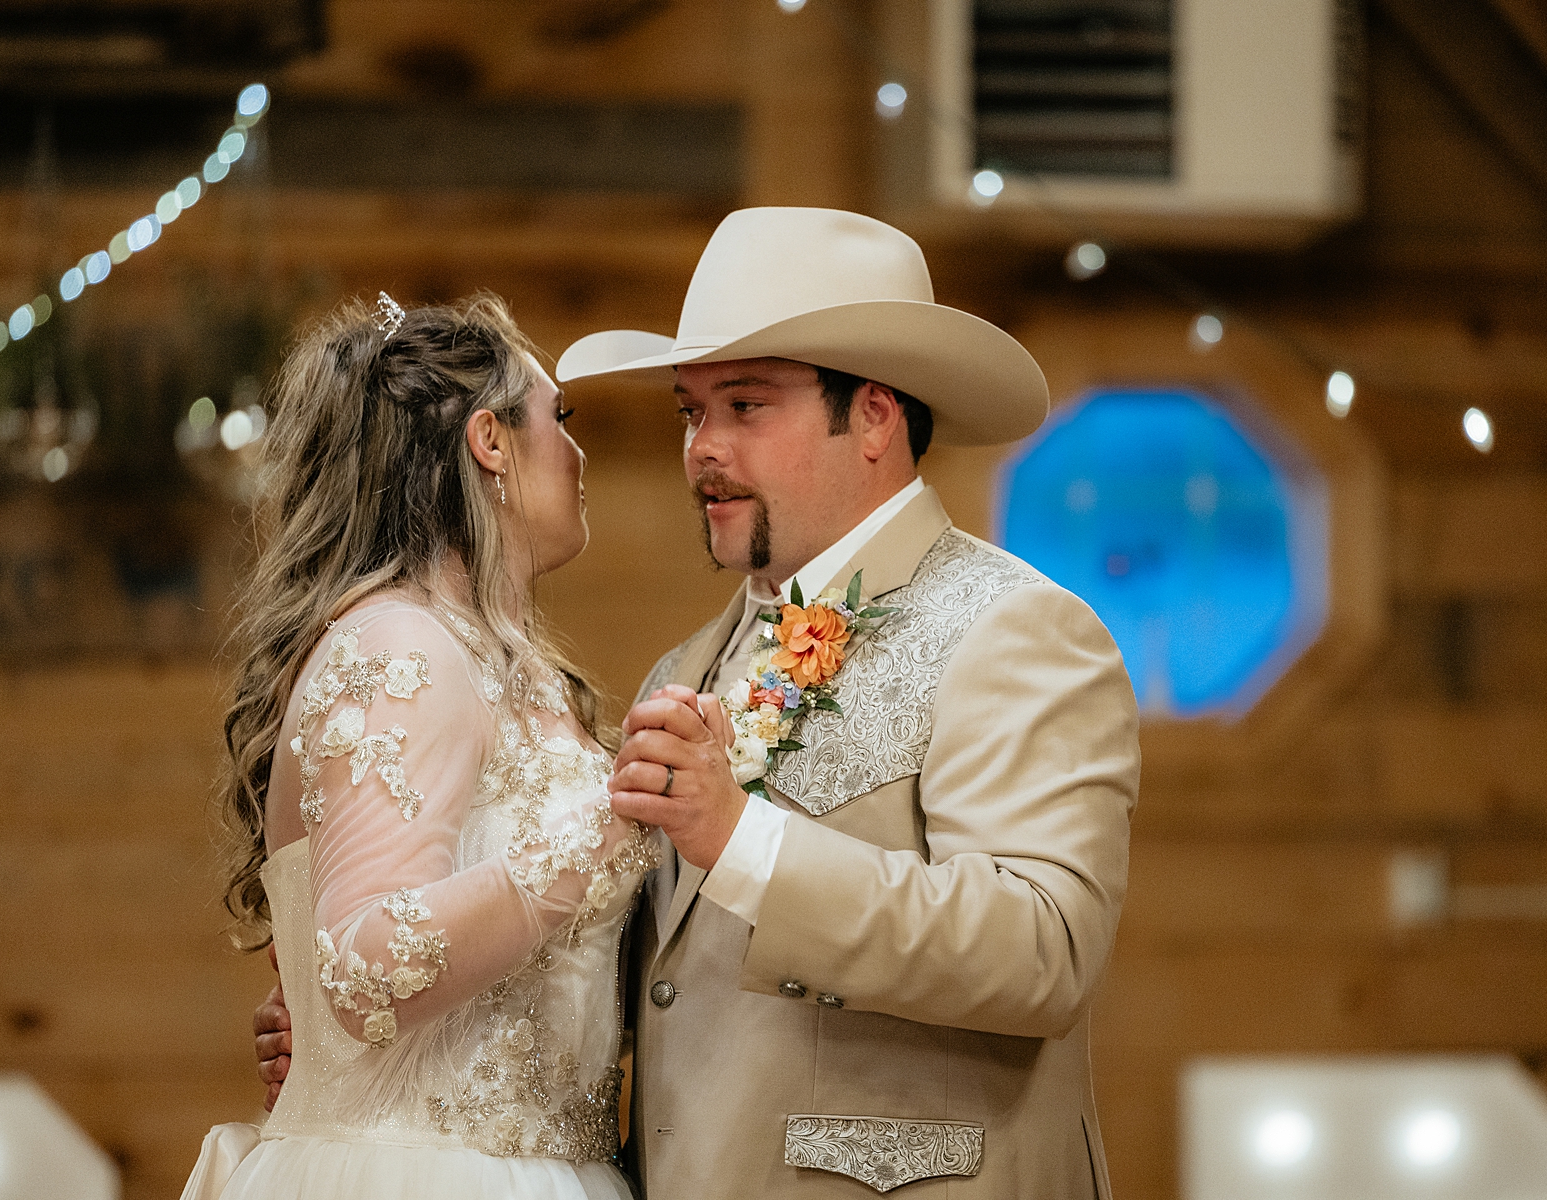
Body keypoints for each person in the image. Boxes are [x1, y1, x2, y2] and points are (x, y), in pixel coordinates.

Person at [258, 207, 1140, 1197]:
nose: (701, 450)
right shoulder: (692, 662)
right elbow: (655, 976)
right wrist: (385, 1053)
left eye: (747, 407)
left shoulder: (1012, 628)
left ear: (877, 415)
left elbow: (1044, 950)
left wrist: (743, 838)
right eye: (692, 411)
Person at [186, 292, 658, 1200]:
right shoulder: (401, 646)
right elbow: (365, 968)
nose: (579, 451)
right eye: (560, 418)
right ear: (490, 441)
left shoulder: (506, 667)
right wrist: (604, 831)